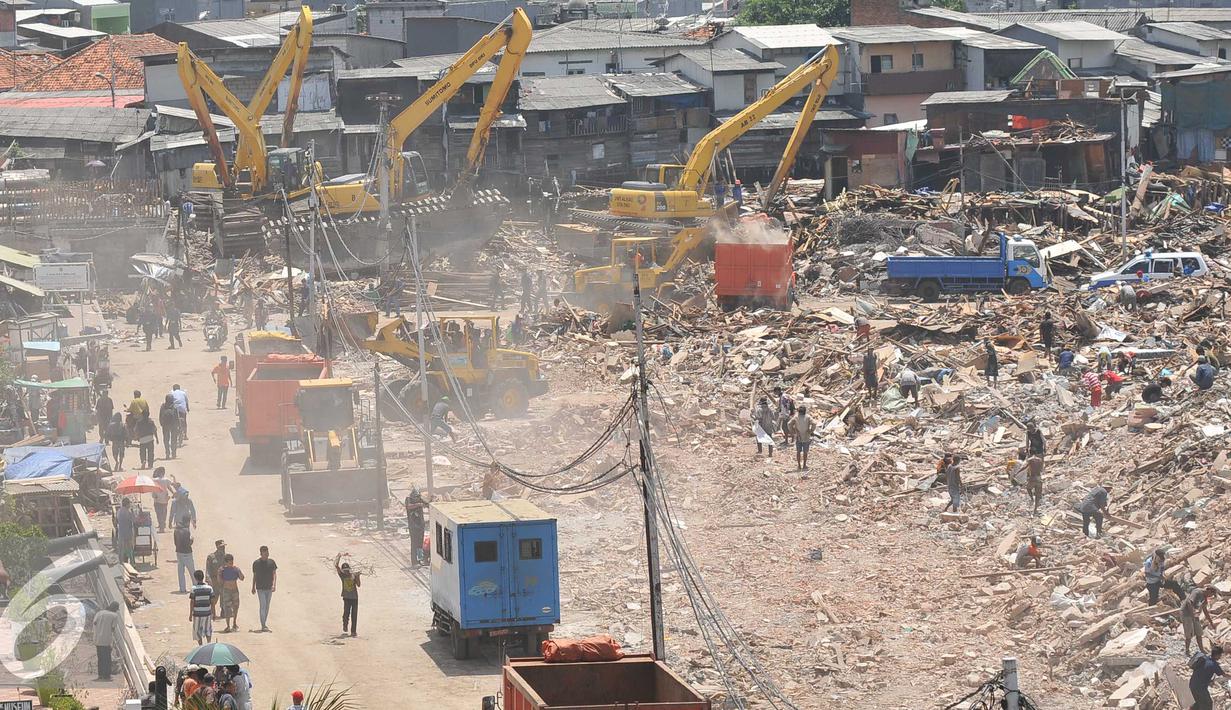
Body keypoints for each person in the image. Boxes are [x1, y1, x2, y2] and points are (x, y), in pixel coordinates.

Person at [1181, 586, 1217, 655]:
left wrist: (1211, 622)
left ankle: (1202, 650)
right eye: (1211, 594)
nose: (1210, 596)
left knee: (1199, 633)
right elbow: (1189, 602)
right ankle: (1187, 651)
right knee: (1189, 634)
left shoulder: (1204, 598)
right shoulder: (1197, 592)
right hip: (1186, 614)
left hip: (1194, 615)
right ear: (1208, 590)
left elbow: (1205, 610)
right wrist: (1192, 615)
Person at [1189, 645, 1225, 710]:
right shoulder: (1214, 665)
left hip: (1192, 684)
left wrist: (1209, 681)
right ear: (1217, 655)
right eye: (1220, 655)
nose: (1220, 657)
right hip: (1200, 688)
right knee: (1208, 704)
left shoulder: (1205, 659)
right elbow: (1224, 675)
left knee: (1199, 702)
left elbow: (1202, 672)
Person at [92, 601, 120, 681]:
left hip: (97, 640)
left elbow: (94, 623)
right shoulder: (114, 616)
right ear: (115, 609)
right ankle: (107, 676)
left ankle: (100, 675)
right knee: (107, 658)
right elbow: (113, 628)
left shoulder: (99, 613)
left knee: (100, 658)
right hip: (106, 640)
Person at [251, 546, 277, 632]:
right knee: (263, 605)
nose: (266, 555)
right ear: (261, 553)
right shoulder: (256, 563)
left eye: (267, 553)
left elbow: (274, 574)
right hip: (260, 588)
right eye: (265, 553)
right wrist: (253, 587)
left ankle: (264, 623)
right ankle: (263, 625)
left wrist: (274, 585)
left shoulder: (271, 562)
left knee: (267, 606)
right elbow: (254, 576)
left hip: (269, 588)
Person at [334, 553, 361, 637]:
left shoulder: (353, 575)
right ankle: (345, 625)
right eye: (344, 570)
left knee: (354, 615)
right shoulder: (342, 576)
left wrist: (357, 577)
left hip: (354, 598)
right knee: (346, 613)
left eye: (347, 570)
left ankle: (353, 631)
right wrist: (339, 556)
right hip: (346, 597)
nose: (346, 571)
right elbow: (336, 565)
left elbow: (359, 585)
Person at [218, 553, 244, 632]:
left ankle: (234, 623)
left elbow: (242, 578)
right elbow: (220, 582)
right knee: (227, 608)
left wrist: (239, 571)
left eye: (232, 562)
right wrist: (219, 574)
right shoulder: (222, 570)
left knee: (236, 607)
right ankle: (228, 625)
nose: (231, 564)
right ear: (226, 562)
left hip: (234, 590)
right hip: (226, 591)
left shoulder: (235, 569)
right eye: (229, 562)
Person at [190, 570, 214, 644]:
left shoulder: (194, 589)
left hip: (197, 613)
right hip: (207, 612)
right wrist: (214, 613)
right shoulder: (209, 588)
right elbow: (212, 602)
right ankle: (209, 643)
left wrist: (190, 614)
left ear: (195, 578)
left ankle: (200, 646)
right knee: (208, 629)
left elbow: (192, 602)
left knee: (197, 630)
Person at [206, 540, 227, 620]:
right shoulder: (211, 557)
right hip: (214, 580)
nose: (223, 548)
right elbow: (208, 569)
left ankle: (223, 611)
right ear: (217, 547)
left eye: (224, 546)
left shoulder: (226, 557)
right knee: (214, 597)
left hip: (223, 580)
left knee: (224, 596)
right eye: (222, 547)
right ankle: (211, 611)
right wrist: (208, 579)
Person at [405, 490, 425, 568]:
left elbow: (426, 503)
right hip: (413, 526)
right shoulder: (408, 499)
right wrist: (418, 504)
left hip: (420, 525)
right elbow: (409, 506)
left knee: (420, 544)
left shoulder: (420, 500)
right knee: (414, 544)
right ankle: (414, 562)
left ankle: (420, 560)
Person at [174, 519, 195, 594]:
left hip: (179, 552)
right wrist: (192, 540)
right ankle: (196, 586)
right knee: (192, 571)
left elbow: (175, 542)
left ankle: (182, 589)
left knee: (180, 571)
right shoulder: (186, 531)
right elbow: (187, 544)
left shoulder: (176, 530)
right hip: (187, 553)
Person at [794, 405, 815, 471]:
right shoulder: (808, 417)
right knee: (805, 452)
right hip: (806, 437)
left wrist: (793, 431)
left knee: (798, 451)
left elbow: (789, 424)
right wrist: (811, 431)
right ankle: (804, 465)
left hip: (798, 437)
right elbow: (814, 423)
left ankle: (799, 466)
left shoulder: (796, 417)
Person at [152, 467, 173, 531]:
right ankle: (162, 525)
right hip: (164, 500)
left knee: (159, 513)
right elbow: (170, 486)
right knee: (164, 513)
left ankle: (161, 526)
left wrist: (154, 495)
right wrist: (173, 493)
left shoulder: (155, 480)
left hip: (157, 500)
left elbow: (152, 488)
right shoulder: (166, 480)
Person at [115, 498, 136, 565]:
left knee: (121, 550)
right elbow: (134, 520)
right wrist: (133, 513)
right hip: (128, 534)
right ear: (127, 504)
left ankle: (121, 563)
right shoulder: (128, 512)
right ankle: (132, 563)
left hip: (121, 533)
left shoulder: (119, 511)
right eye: (129, 503)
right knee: (130, 549)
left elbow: (117, 521)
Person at [159, 395, 179, 460]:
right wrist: (179, 426)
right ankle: (174, 453)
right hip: (173, 425)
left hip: (165, 425)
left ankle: (167, 453)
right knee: (174, 439)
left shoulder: (163, 406)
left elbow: (160, 416)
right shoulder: (174, 407)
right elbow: (177, 417)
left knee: (166, 440)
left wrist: (162, 424)